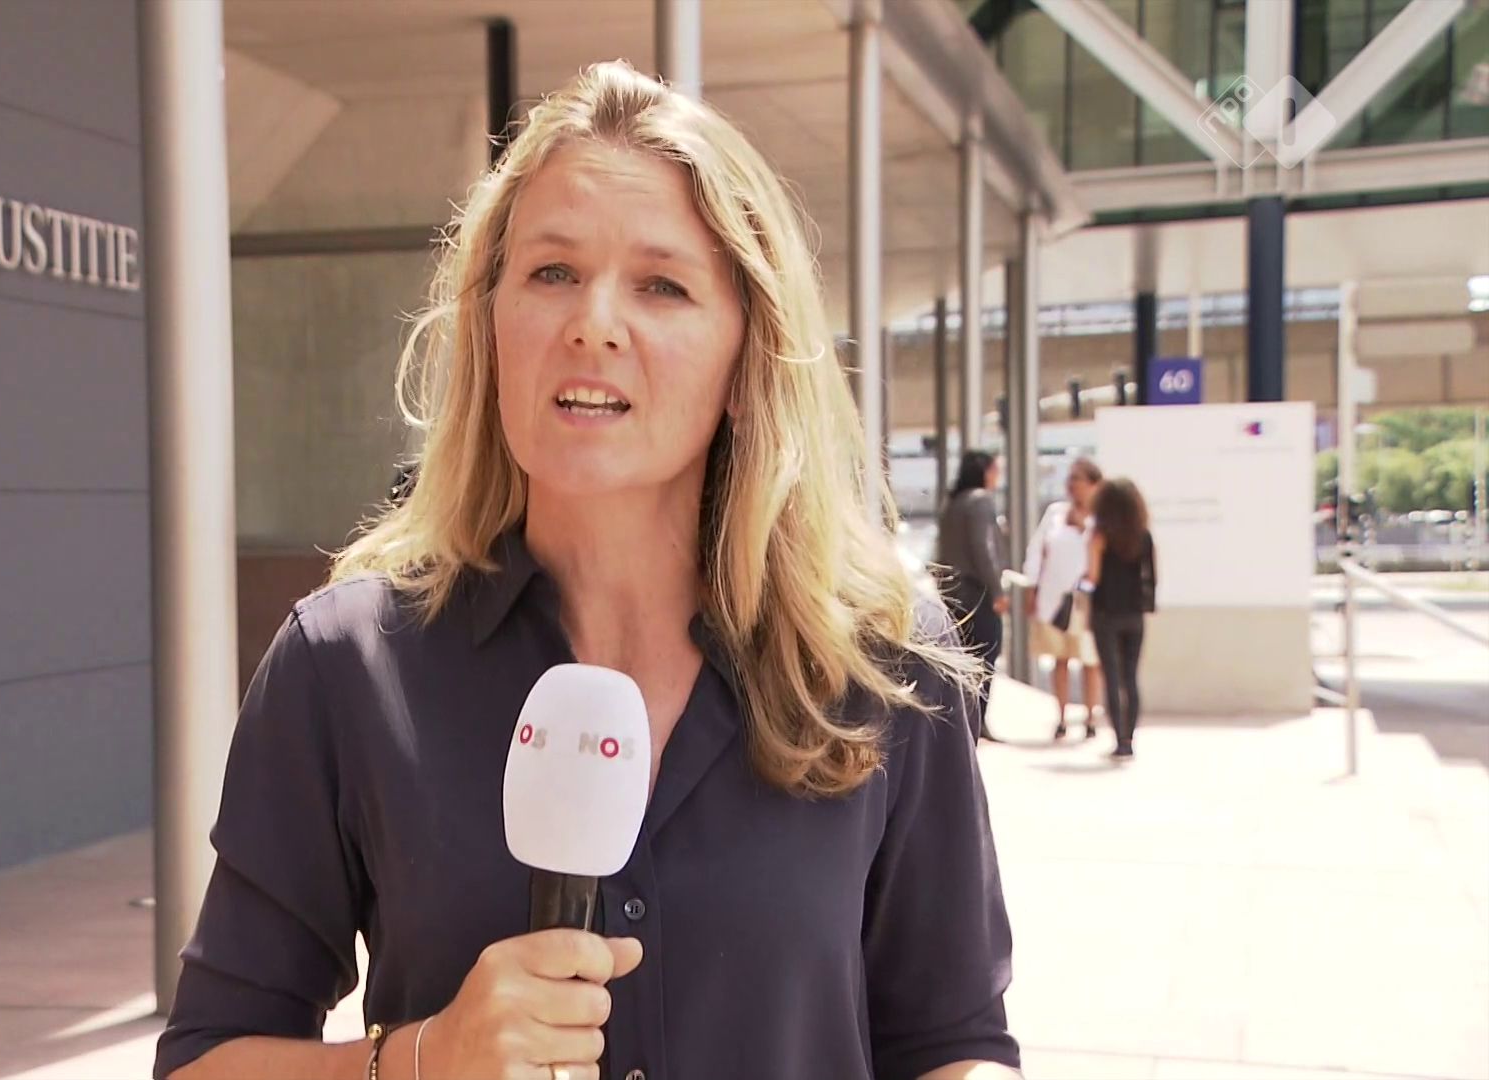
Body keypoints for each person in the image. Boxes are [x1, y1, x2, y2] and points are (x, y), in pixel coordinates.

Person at [153, 62, 1020, 1080]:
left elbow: (954, 1043)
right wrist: (423, 1060)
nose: (594, 323)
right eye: (553, 272)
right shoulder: (345, 666)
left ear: (747, 357)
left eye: (662, 286)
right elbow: (202, 1060)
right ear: (491, 324)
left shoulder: (880, 659)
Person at [1022, 457, 1104, 741]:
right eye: (1070, 480)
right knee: (1060, 657)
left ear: (1094, 485)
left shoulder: (1100, 518)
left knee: (1090, 659)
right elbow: (1036, 551)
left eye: (1078, 480)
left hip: (1086, 601)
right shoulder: (1055, 513)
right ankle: (1061, 716)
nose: (1073, 487)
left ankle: (1091, 717)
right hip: (1054, 599)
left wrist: (1083, 527)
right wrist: (1031, 589)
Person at [934, 450, 1008, 743]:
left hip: (951, 593)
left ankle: (962, 722)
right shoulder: (980, 501)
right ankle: (977, 721)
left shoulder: (952, 504)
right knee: (986, 655)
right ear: (986, 472)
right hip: (976, 591)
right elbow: (983, 548)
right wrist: (997, 590)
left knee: (960, 658)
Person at [1084, 478, 1156, 760]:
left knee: (1112, 677)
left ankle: (1119, 739)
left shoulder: (1100, 536)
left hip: (1105, 612)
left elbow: (1093, 577)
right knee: (1130, 677)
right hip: (1134, 613)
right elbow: (1152, 575)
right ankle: (1130, 738)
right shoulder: (1143, 536)